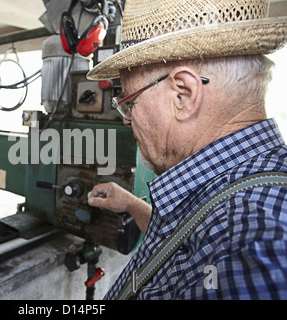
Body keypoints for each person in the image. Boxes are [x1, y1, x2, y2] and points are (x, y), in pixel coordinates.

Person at [86, 0, 287, 299]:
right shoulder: (242, 180)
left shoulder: (249, 250)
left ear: (183, 94)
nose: (127, 120)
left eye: (130, 103)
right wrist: (130, 203)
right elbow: (185, 240)